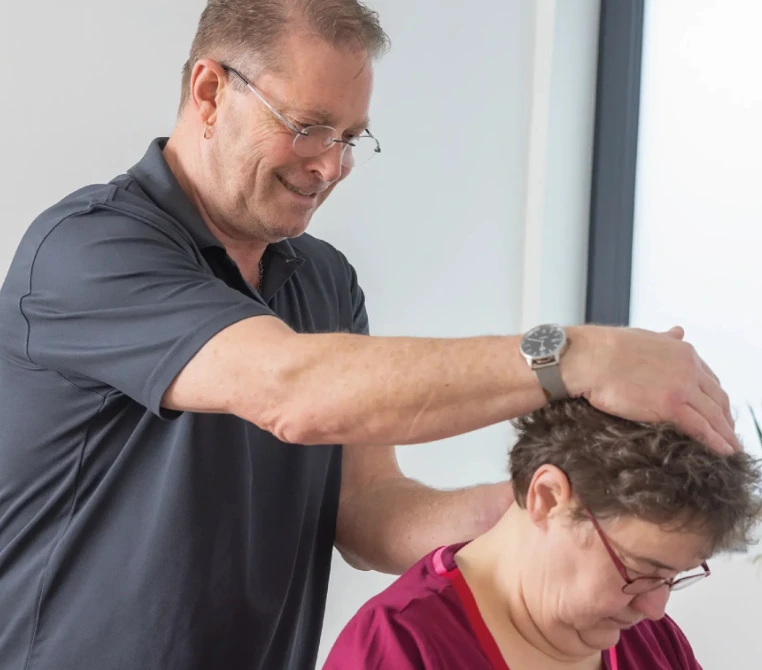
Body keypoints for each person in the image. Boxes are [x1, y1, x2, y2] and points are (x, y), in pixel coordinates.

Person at [0, 1, 740, 669]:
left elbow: (371, 514)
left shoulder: (323, 283)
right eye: (308, 127)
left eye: (351, 137)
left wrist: (563, 510)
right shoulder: (85, 252)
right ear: (209, 92)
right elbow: (291, 390)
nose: (331, 165)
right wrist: (582, 355)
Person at [323, 399, 761, 669]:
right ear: (548, 498)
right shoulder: (400, 649)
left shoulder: (653, 646)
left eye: (673, 577)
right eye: (641, 570)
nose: (654, 608)